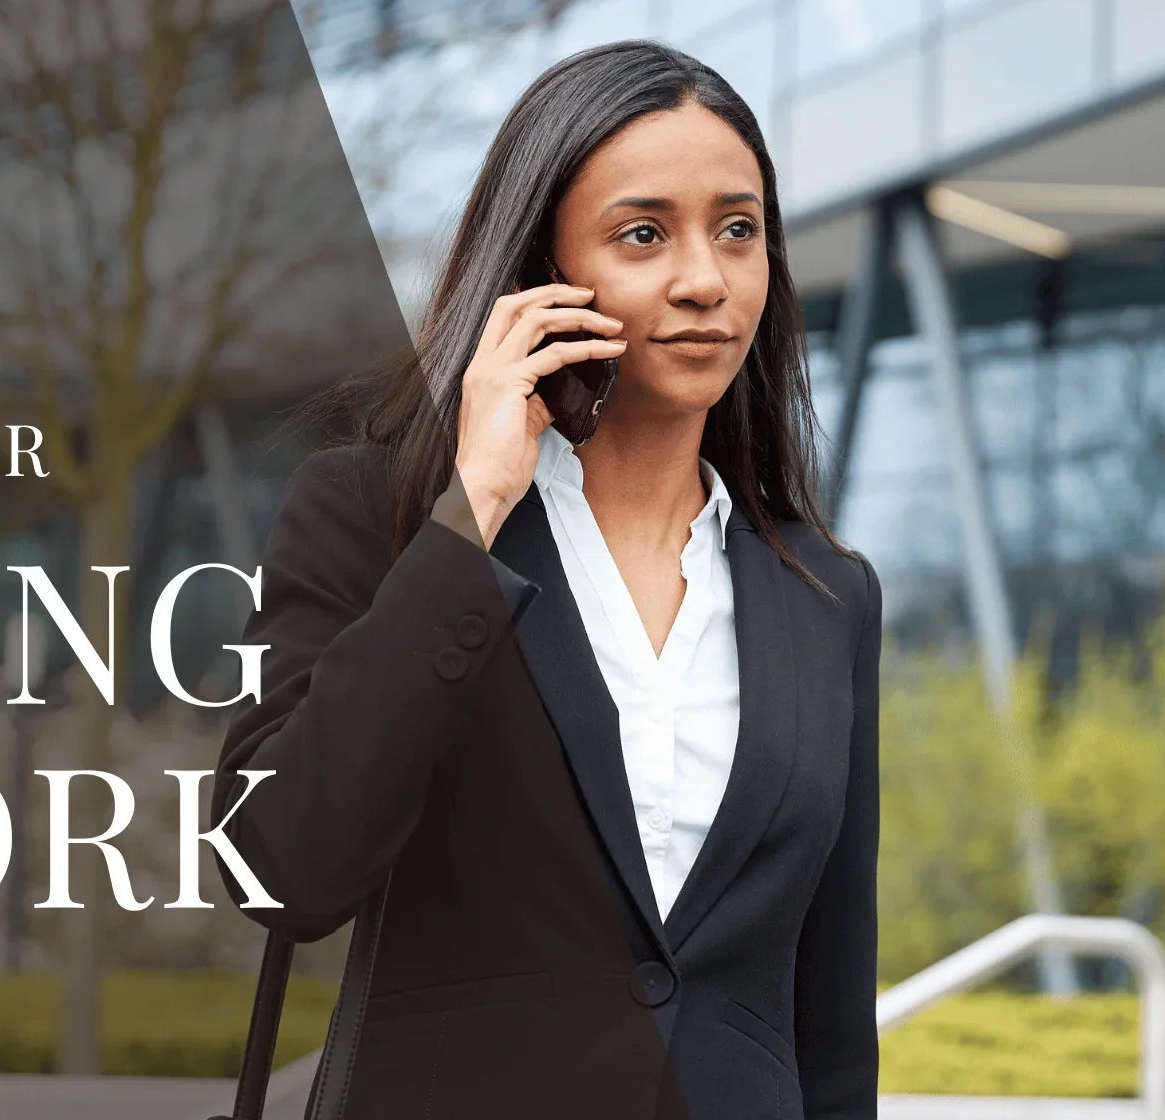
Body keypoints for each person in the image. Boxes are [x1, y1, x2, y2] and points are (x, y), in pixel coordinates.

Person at [212, 39, 881, 1120]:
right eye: (641, 234)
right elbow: (280, 868)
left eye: (737, 229)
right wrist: (468, 508)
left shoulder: (826, 595)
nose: (703, 279)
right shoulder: (377, 520)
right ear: (540, 273)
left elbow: (828, 1015)